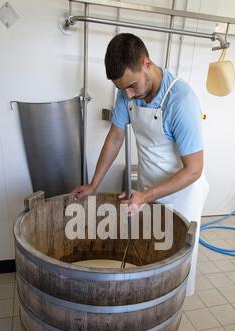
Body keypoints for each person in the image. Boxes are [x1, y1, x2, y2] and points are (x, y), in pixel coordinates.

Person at [73, 33, 209, 296]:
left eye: (132, 86)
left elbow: (194, 169)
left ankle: (169, 307)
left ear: (146, 64)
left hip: (182, 194)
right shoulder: (127, 93)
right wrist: (94, 183)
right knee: (149, 253)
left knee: (174, 262)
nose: (128, 95)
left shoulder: (181, 101)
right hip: (148, 189)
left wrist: (146, 195)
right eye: (122, 88)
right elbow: (115, 137)